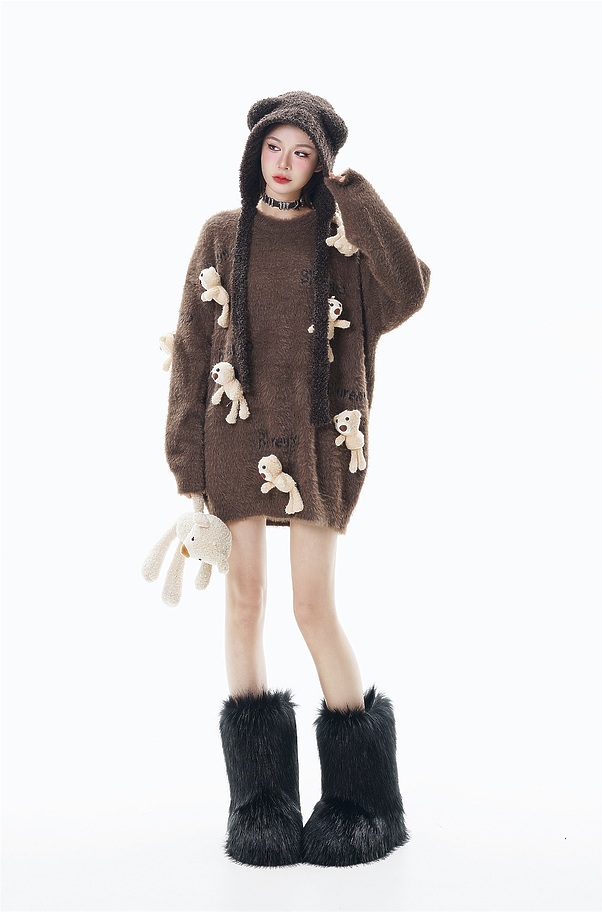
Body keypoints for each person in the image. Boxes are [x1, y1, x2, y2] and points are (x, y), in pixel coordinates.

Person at [164, 91, 430, 867]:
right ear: (256, 153)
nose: (284, 163)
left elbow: (409, 290)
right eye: (274, 148)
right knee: (245, 603)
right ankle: (261, 803)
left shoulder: (341, 241)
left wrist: (355, 192)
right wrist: (187, 465)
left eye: (302, 152)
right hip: (234, 437)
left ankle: (362, 802)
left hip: (319, 442)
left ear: (322, 164)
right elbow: (191, 350)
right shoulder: (222, 234)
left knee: (314, 607)